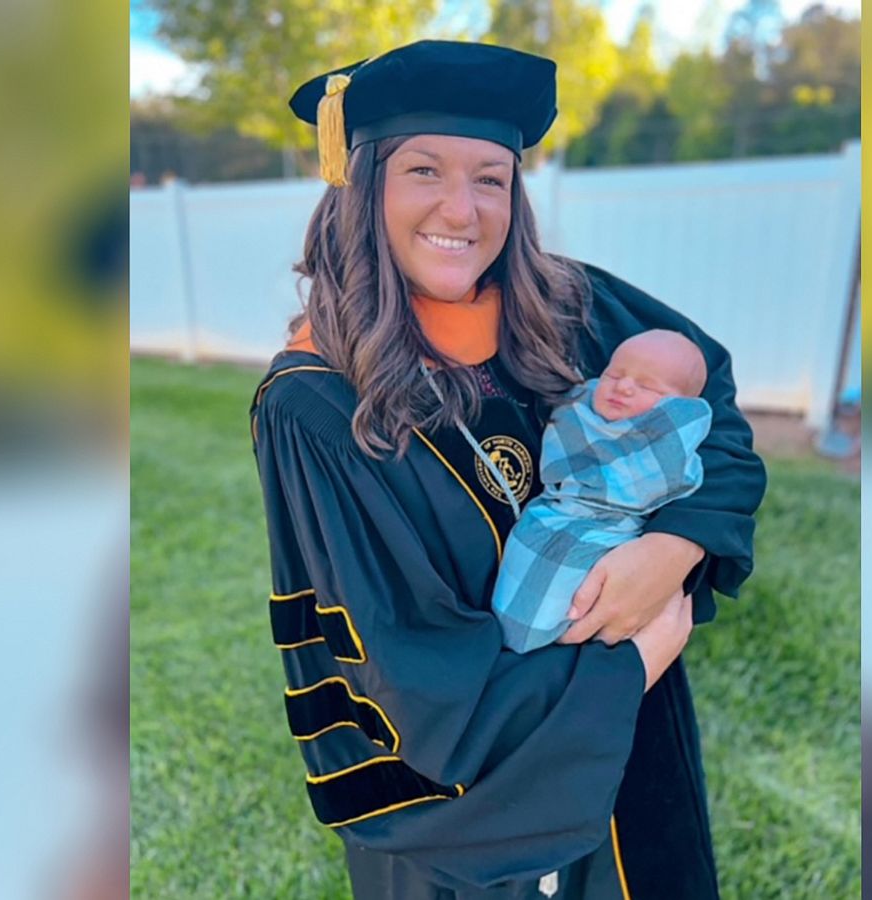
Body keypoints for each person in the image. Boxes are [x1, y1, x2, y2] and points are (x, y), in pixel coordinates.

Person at [248, 40, 766, 899]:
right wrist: (628, 665)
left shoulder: (575, 308)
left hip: (636, 743)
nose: (462, 206)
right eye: (424, 170)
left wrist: (674, 547)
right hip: (475, 798)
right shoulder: (317, 404)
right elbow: (401, 665)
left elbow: (712, 416)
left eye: (490, 177)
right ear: (362, 182)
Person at [492, 330, 714, 652]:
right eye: (614, 374)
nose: (623, 386)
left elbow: (664, 476)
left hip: (610, 532)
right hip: (555, 514)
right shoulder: (577, 410)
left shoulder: (667, 440)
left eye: (647, 386)